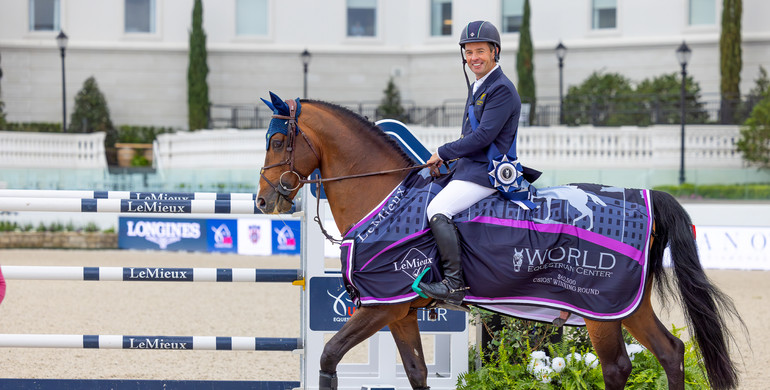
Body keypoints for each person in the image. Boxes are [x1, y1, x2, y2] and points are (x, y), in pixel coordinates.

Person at [418, 20, 538, 306]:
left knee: (438, 208)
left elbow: (483, 137)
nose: (474, 58)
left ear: (495, 51)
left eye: (480, 51)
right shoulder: (480, 85)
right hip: (469, 169)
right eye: (469, 52)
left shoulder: (501, 89)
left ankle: (453, 284)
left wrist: (443, 151)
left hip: (487, 173)